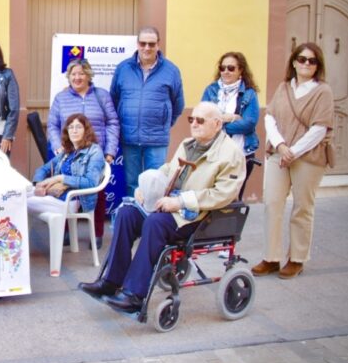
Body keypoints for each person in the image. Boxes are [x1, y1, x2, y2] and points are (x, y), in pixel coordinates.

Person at [78, 102, 245, 313]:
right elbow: (168, 170)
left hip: (199, 216)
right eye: (191, 119)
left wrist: (181, 201)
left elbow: (223, 194)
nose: (194, 124)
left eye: (200, 120)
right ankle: (112, 281)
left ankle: (134, 295)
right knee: (126, 214)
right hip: (170, 205)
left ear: (217, 123)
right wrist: (143, 188)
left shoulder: (230, 153)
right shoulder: (188, 144)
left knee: (155, 223)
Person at [252, 43, 334, 280]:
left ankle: (297, 259)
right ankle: (271, 257)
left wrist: (293, 152)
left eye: (312, 60)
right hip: (280, 153)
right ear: (294, 62)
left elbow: (320, 128)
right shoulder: (284, 88)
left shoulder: (323, 91)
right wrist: (280, 146)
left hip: (308, 157)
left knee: (302, 208)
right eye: (302, 59)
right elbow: (270, 118)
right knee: (272, 203)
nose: (306, 64)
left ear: (318, 65)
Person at [47, 58, 119, 247]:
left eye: (81, 73)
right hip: (69, 154)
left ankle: (96, 234)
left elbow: (112, 122)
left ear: (88, 75)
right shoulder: (61, 98)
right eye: (73, 74)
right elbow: (53, 125)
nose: (77, 77)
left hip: (96, 155)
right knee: (64, 191)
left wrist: (110, 150)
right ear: (68, 77)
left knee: (96, 193)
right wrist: (57, 145)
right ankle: (65, 232)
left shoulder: (102, 96)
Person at [110, 26, 184, 197]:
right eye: (143, 43)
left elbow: (178, 104)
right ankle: (132, 222)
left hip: (157, 139)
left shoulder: (171, 70)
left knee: (155, 184)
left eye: (151, 44)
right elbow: (113, 98)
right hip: (129, 137)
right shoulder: (123, 68)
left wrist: (164, 123)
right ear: (137, 44)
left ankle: (151, 222)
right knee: (131, 184)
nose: (147, 48)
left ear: (158, 45)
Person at [202, 51, 260, 198]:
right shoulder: (211, 90)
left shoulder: (249, 93)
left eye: (231, 68)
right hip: (213, 152)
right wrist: (231, 118)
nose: (226, 71)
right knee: (211, 195)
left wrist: (216, 124)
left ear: (241, 70)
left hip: (240, 152)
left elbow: (249, 124)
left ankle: (232, 222)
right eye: (223, 68)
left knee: (234, 197)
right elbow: (202, 119)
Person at [28, 113, 105, 218]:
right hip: (55, 195)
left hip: (75, 200)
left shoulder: (94, 151)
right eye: (71, 127)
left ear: (86, 130)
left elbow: (91, 182)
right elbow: (43, 169)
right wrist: (39, 183)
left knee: (23, 201)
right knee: (21, 195)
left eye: (78, 127)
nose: (74, 131)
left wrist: (60, 178)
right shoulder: (67, 152)